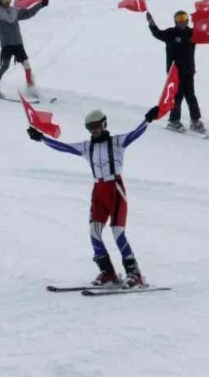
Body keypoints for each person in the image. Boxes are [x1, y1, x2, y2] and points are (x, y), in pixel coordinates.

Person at [27, 106, 161, 287]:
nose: (94, 130)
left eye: (96, 126)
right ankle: (108, 273)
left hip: (115, 188)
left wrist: (148, 119)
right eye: (90, 127)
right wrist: (41, 138)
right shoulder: (87, 147)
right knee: (94, 232)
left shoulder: (117, 142)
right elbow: (63, 147)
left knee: (118, 232)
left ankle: (134, 273)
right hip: (98, 190)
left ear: (104, 124)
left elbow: (135, 134)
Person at [0, 0, 48, 98]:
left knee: (27, 65)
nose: (7, 2)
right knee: (5, 66)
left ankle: (31, 86)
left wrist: (40, 5)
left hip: (18, 43)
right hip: (7, 45)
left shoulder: (14, 11)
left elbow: (28, 13)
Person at [147, 10, 204, 132]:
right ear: (175, 21)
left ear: (188, 20)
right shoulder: (170, 33)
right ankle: (174, 121)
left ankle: (195, 121)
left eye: (184, 18)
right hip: (175, 72)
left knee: (191, 96)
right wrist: (151, 23)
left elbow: (208, 34)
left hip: (189, 71)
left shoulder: (192, 33)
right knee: (177, 97)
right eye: (179, 19)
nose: (182, 21)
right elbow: (157, 33)